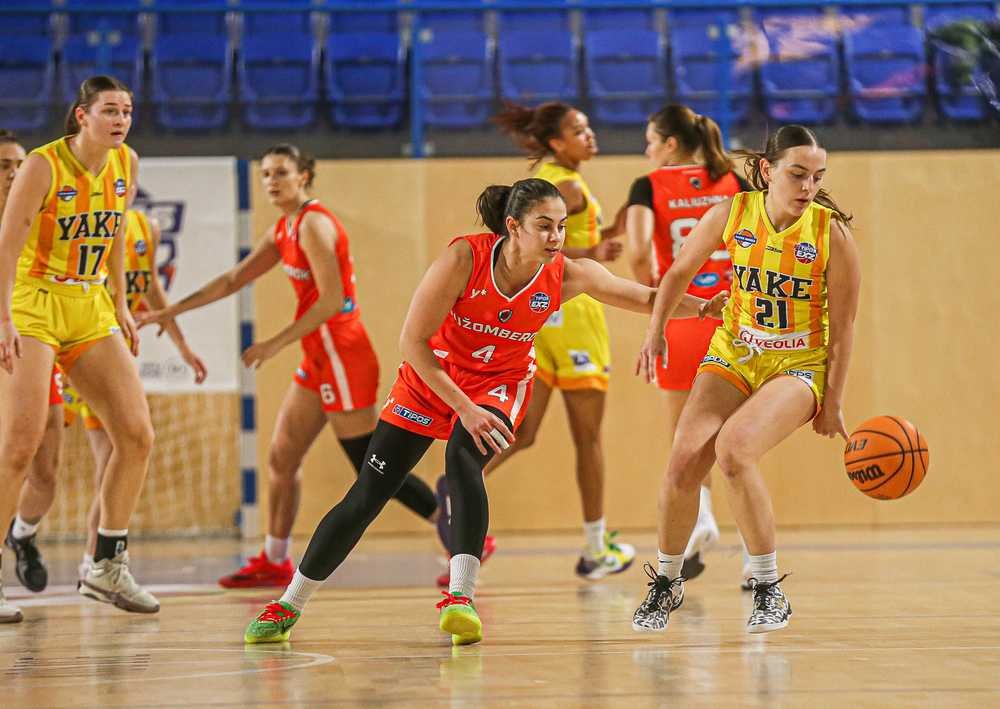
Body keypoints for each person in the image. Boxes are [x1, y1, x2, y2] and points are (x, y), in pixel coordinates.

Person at [242, 178, 725, 647]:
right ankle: (288, 603)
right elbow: (412, 342)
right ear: (513, 227)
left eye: (561, 227)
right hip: (432, 377)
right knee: (369, 492)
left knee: (462, 459)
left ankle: (460, 599)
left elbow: (642, 296)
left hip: (500, 383)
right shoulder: (463, 259)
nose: (556, 237)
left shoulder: (567, 274)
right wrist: (463, 406)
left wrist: (705, 308)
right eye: (544, 226)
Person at [137, 144, 440, 588]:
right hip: (318, 357)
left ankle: (455, 527)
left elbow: (333, 300)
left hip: (342, 354)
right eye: (265, 174)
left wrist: (274, 343)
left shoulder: (315, 224)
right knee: (282, 457)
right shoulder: (284, 228)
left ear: (304, 176)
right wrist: (170, 311)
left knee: (370, 464)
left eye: (281, 173)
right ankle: (275, 558)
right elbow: (233, 279)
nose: (271, 182)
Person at [630, 125, 860, 634]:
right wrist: (655, 331)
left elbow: (843, 329)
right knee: (683, 462)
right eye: (797, 174)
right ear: (766, 171)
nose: (808, 186)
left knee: (733, 452)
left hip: (797, 363)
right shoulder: (732, 213)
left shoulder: (831, 234)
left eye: (817, 177)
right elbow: (677, 273)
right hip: (735, 352)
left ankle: (768, 587)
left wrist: (833, 402)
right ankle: (666, 582)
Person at [439, 101, 633, 584]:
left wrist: (610, 232)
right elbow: (545, 248)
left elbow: (544, 241)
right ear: (555, 142)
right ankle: (596, 548)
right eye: (578, 130)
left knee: (522, 432)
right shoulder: (567, 187)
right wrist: (594, 250)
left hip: (535, 321)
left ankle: (461, 478)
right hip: (573, 319)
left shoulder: (546, 179)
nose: (590, 135)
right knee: (588, 438)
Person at [0, 75, 160, 618]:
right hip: (34, 301)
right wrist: (3, 316)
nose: (121, 120)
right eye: (110, 110)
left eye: (127, 111)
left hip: (89, 303)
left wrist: (119, 302)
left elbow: (113, 233)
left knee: (136, 434)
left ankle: (105, 565)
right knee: (20, 446)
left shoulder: (126, 162)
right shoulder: (42, 165)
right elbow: (8, 244)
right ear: (82, 115)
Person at [10, 203, 208, 590]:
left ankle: (95, 564)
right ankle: (22, 533)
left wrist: (182, 345)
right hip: (52, 345)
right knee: (41, 471)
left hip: (98, 349)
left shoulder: (143, 227)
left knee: (120, 454)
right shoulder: (61, 216)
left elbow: (151, 288)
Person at [624, 104, 752, 583]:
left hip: (682, 317)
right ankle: (753, 560)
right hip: (735, 318)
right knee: (741, 443)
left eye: (650, 142)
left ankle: (702, 517)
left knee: (687, 438)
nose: (647, 151)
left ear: (670, 144)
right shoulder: (735, 182)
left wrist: (656, 297)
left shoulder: (648, 186)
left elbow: (639, 253)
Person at [0, 130, 64, 618]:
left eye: (19, 164)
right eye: (4, 165)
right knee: (11, 454)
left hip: (32, 344)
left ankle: (22, 535)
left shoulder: (44, 219)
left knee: (45, 470)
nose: (14, 173)